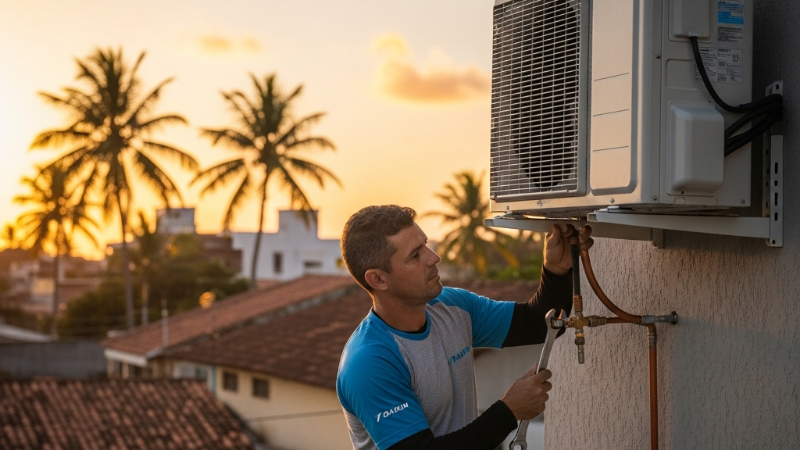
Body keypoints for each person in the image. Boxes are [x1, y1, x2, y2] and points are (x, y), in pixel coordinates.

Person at [337, 205, 593, 450]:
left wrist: (556, 270)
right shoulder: (370, 361)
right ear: (378, 279)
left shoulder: (452, 306)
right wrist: (510, 410)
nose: (433, 258)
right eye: (415, 255)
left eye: (425, 245)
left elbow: (538, 324)